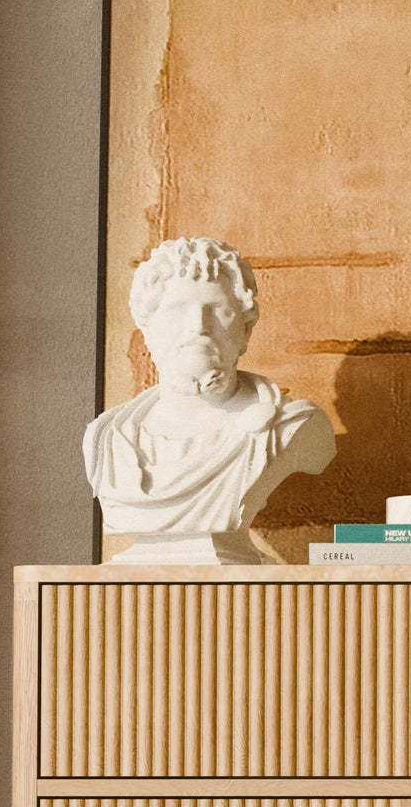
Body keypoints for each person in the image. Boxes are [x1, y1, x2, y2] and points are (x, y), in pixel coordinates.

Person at [83, 237, 335, 563]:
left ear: (245, 330)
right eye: (177, 309)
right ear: (147, 330)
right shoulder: (107, 439)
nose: (198, 326)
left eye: (218, 310)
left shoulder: (290, 428)